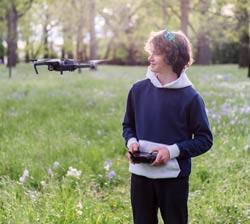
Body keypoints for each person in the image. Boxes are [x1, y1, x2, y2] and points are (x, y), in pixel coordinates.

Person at [122, 29, 213, 224]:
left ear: (172, 56)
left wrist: (171, 151)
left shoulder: (191, 98)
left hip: (174, 179)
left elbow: (205, 140)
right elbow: (128, 125)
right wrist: (131, 142)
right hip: (140, 177)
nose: (150, 56)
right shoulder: (137, 90)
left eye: (156, 52)